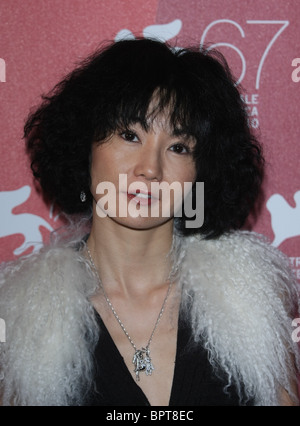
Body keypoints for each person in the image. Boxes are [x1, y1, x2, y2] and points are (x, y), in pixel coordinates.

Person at [0, 37, 299, 406]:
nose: (150, 169)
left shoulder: (251, 304)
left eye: (179, 147)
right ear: (85, 144)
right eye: (130, 135)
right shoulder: (19, 317)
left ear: (202, 171)